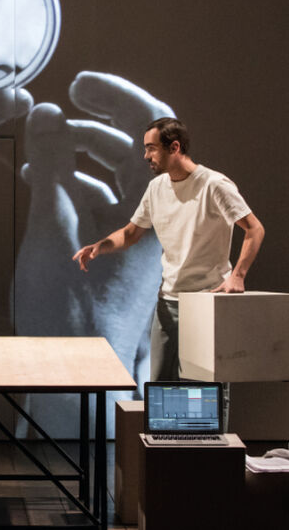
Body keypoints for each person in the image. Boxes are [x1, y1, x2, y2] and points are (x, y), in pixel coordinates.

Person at [72, 118, 265, 381]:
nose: (146, 156)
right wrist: (99, 247)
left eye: (151, 148)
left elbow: (254, 229)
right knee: (160, 385)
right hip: (168, 302)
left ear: (174, 147)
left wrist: (238, 276)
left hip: (205, 301)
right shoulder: (157, 187)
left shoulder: (214, 184)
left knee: (205, 387)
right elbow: (131, 233)